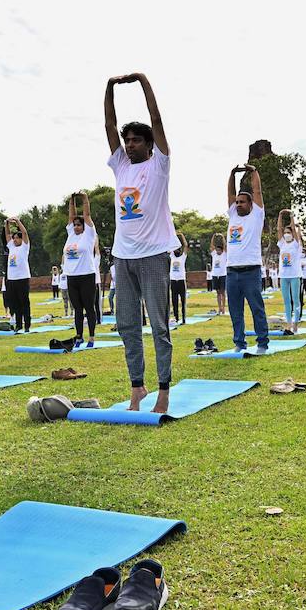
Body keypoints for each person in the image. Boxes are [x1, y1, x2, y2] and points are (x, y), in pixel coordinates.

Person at [104, 72, 177, 414]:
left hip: (153, 256)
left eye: (136, 140)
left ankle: (163, 390)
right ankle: (137, 387)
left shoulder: (159, 165)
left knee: (159, 326)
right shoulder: (120, 166)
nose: (130, 144)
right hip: (123, 256)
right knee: (127, 325)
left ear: (148, 144)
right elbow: (108, 123)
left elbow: (157, 118)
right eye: (127, 140)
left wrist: (142, 81)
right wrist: (109, 88)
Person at [225, 164, 270, 353]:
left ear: (250, 204)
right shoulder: (233, 215)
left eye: (242, 202)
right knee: (235, 311)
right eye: (237, 202)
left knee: (256, 308)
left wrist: (253, 172)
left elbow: (257, 191)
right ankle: (239, 342)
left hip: (250, 271)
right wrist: (232, 174)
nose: (238, 204)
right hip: (231, 271)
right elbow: (229, 194)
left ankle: (262, 342)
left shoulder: (256, 216)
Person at [63, 192, 102, 347]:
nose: (77, 226)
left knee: (89, 308)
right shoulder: (71, 234)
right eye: (75, 225)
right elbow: (71, 215)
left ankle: (91, 337)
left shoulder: (89, 234)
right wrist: (71, 200)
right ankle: (79, 336)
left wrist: (84, 199)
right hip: (72, 277)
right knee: (77, 309)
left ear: (84, 226)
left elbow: (87, 214)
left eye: (79, 224)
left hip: (87, 276)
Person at [276, 212, 304, 334]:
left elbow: (293, 228)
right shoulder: (282, 243)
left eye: (289, 232)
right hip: (283, 276)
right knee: (286, 300)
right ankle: (289, 323)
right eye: (285, 233)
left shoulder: (296, 244)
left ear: (293, 234)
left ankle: (296, 324)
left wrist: (292, 217)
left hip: (295, 275)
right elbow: (278, 229)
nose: (287, 234)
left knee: (296, 300)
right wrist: (280, 215)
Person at [4, 219, 32, 332]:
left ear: (21, 239)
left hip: (22, 278)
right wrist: (6, 224)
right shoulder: (11, 247)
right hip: (11, 279)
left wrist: (18, 221)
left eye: (17, 238)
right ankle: (18, 325)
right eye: (14, 238)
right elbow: (7, 234)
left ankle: (27, 325)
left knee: (24, 302)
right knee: (15, 304)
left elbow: (25, 233)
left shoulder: (24, 247)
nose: (15, 240)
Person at [168, 232, 189, 325]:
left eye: (178, 250)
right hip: (173, 281)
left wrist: (182, 236)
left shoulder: (182, 258)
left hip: (181, 281)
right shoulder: (172, 257)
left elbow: (186, 246)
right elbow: (170, 247)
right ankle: (176, 318)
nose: (176, 251)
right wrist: (173, 236)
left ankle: (184, 319)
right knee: (174, 301)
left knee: (183, 300)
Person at [209, 234, 227, 314]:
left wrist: (222, 237)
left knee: (223, 292)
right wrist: (213, 237)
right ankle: (219, 308)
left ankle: (223, 308)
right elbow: (211, 245)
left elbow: (225, 246)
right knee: (218, 292)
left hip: (223, 275)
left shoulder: (224, 254)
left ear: (222, 250)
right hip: (215, 275)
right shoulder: (214, 254)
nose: (218, 251)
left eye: (219, 250)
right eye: (217, 250)